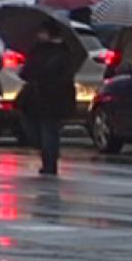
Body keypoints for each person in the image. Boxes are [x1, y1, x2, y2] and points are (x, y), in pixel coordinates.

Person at [18, 20, 76, 176]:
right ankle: (49, 159)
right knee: (45, 130)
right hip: (44, 98)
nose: (38, 35)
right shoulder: (49, 51)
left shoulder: (54, 53)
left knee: (48, 130)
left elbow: (27, 73)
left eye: (41, 31)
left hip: (48, 97)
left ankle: (49, 162)